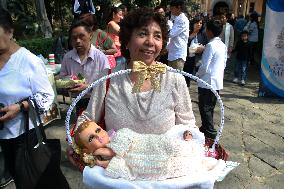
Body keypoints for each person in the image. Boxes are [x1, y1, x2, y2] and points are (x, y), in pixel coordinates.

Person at [67, 7, 203, 171]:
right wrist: (78, 144)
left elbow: (188, 127)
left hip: (162, 174)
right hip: (118, 175)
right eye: (142, 34)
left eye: (157, 36)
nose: (150, 42)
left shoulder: (174, 79)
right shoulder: (108, 79)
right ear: (127, 41)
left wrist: (189, 140)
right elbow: (87, 120)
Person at [0, 9, 69, 188]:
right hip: (4, 138)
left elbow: (47, 97)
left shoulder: (28, 61)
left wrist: (21, 106)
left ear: (9, 31)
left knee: (33, 182)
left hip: (26, 137)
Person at [73, 121, 222, 181]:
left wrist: (112, 151)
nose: (99, 136)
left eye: (98, 130)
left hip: (156, 145)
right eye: (91, 138)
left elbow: (131, 137)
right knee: (180, 167)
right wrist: (109, 164)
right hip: (151, 167)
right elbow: (128, 174)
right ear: (87, 149)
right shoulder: (100, 161)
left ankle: (198, 150)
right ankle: (201, 163)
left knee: (178, 147)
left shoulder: (119, 135)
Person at [59, 20, 109, 115]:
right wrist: (67, 83)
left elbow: (107, 83)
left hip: (97, 101)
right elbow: (62, 77)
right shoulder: (67, 57)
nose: (77, 41)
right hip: (78, 101)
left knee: (97, 128)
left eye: (81, 36)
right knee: (81, 126)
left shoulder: (100, 57)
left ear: (90, 35)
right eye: (74, 38)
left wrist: (87, 87)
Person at [196, 19, 227, 139]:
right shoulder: (222, 45)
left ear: (209, 31)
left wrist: (197, 75)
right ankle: (205, 129)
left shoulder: (210, 45)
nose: (205, 31)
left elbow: (205, 66)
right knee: (210, 108)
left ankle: (211, 133)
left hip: (207, 82)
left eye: (206, 29)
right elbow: (224, 63)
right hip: (217, 81)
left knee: (205, 108)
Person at [184, 16, 208, 87]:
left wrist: (202, 48)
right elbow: (184, 46)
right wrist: (193, 50)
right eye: (197, 22)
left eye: (201, 23)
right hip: (187, 58)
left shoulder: (203, 35)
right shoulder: (187, 32)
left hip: (197, 59)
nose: (199, 24)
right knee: (184, 77)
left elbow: (206, 46)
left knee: (194, 78)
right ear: (193, 23)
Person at [167, 0, 189, 70]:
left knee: (176, 78)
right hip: (173, 52)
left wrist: (168, 25)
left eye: (172, 8)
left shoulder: (182, 19)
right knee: (170, 77)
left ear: (178, 8)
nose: (171, 10)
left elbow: (171, 33)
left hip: (178, 54)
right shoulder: (177, 18)